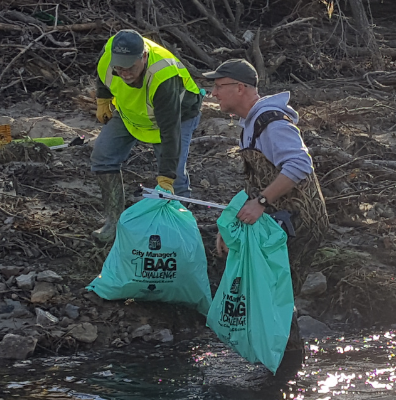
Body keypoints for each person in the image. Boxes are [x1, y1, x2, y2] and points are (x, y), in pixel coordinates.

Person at [204, 58, 330, 377]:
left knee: (277, 299)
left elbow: (300, 165)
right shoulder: (249, 123)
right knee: (273, 297)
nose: (213, 93)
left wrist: (261, 201)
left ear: (240, 88)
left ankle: (286, 375)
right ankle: (281, 371)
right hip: (279, 225)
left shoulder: (272, 122)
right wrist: (231, 228)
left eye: (219, 86)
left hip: (301, 223)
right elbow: (255, 183)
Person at [91, 29, 203, 243]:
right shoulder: (109, 55)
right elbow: (102, 74)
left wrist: (166, 176)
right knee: (103, 157)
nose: (124, 73)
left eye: (130, 67)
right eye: (119, 67)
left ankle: (179, 233)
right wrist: (102, 99)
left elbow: (170, 131)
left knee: (174, 177)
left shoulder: (163, 76)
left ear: (143, 57)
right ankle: (114, 224)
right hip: (132, 113)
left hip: (177, 116)